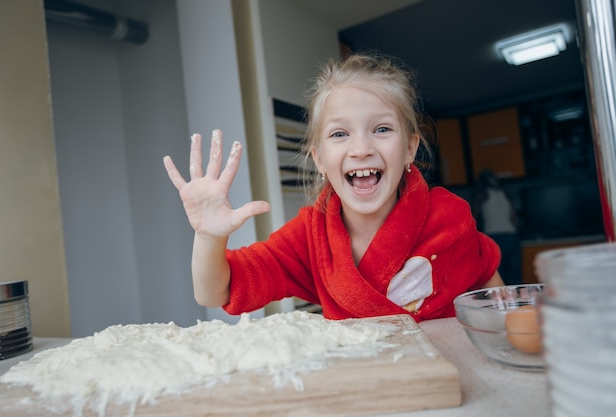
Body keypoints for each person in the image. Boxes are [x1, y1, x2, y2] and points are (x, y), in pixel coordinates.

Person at [163, 53, 504, 322]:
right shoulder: (309, 237)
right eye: (340, 134)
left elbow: (487, 274)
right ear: (320, 160)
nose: (361, 149)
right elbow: (214, 293)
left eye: (382, 129)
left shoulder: (449, 215)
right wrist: (209, 237)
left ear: (410, 149)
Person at [472, 170, 522, 285]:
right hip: (511, 235)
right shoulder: (505, 194)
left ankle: (503, 302)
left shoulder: (482, 195)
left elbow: (473, 216)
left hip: (493, 236)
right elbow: (514, 218)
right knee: (515, 276)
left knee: (498, 276)